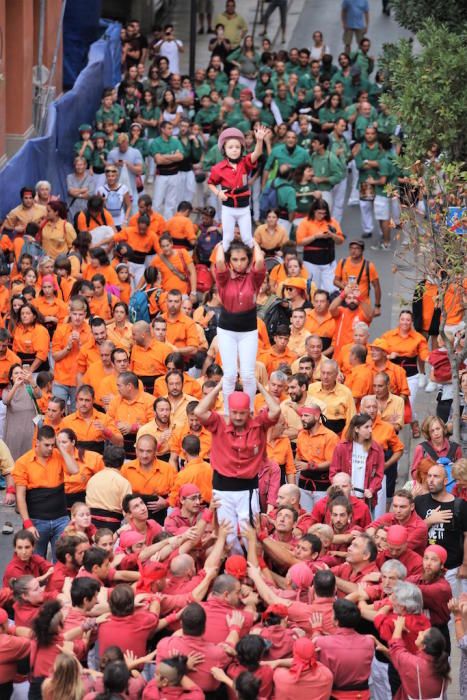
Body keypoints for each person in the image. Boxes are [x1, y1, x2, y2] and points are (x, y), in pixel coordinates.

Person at [194, 381, 280, 552]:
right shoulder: (219, 422)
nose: (239, 417)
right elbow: (199, 411)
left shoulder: (259, 424)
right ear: (228, 411)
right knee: (227, 533)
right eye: (234, 413)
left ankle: (253, 566)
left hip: (247, 488)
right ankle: (233, 567)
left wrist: (260, 386)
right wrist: (219, 387)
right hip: (222, 487)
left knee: (250, 531)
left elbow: (276, 411)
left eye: (242, 413)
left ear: (249, 411)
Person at [12, 425, 80, 559]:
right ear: (37, 443)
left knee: (62, 560)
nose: (50, 448)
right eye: (46, 445)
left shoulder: (58, 455)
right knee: (36, 560)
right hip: (37, 520)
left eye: (52, 444)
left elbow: (74, 470)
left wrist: (60, 448)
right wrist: (27, 523)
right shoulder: (23, 462)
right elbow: (20, 496)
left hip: (61, 518)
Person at [215, 241, 265, 409]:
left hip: (248, 330)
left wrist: (253, 243)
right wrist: (223, 243)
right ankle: (229, 412)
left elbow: (259, 262)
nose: (239, 263)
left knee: (248, 375)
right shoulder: (224, 277)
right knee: (229, 375)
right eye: (235, 259)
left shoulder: (254, 278)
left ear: (248, 260)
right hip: (226, 329)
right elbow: (220, 262)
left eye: (243, 259)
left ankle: (248, 410)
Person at [208, 125, 269, 251]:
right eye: (230, 147)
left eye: (237, 147)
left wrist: (259, 140)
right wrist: (218, 193)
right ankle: (223, 265)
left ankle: (251, 264)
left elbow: (257, 153)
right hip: (228, 209)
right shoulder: (218, 168)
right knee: (227, 238)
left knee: (247, 238)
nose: (234, 150)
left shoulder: (245, 162)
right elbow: (210, 183)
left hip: (244, 208)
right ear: (224, 149)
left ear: (241, 149)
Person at [415, 462, 467, 594]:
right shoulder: (419, 501)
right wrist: (429, 521)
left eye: (436, 476)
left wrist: (465, 565)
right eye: (429, 476)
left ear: (445, 481)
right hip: (425, 567)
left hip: (451, 569)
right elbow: (411, 531)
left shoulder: (459, 505)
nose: (431, 480)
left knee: (452, 611)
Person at [388, 618, 450, 700]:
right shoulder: (441, 663)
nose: (420, 632)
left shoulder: (415, 664)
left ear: (424, 646)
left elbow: (396, 649)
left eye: (423, 633)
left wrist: (398, 626)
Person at [330, 413, 384, 504]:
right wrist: (340, 489)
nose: (370, 430)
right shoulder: (341, 447)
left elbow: (379, 474)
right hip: (344, 498)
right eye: (366, 427)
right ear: (356, 429)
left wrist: (371, 489)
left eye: (371, 426)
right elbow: (333, 473)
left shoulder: (376, 449)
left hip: (366, 499)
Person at [296, 198, 344, 292]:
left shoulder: (332, 222)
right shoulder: (305, 222)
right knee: (313, 289)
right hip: (311, 262)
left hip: (329, 261)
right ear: (314, 211)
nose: (322, 216)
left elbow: (340, 241)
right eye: (319, 213)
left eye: (324, 213)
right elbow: (300, 242)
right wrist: (315, 236)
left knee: (332, 290)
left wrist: (332, 235)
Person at [3, 363, 41, 460]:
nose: (19, 375)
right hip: (13, 433)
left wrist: (32, 381)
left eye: (21, 372)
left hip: (29, 430)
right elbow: (6, 401)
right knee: (13, 459)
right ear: (11, 377)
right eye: (16, 373)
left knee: (29, 458)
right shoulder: (7, 390)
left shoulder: (29, 388)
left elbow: (39, 395)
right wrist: (15, 386)